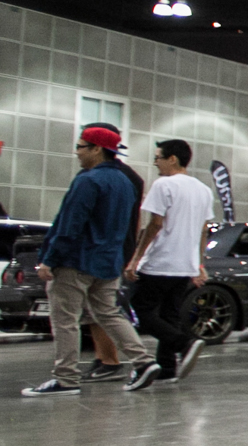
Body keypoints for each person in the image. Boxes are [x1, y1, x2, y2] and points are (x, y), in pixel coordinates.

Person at [22, 126, 153, 396]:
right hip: (108, 263)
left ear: (96, 149)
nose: (77, 152)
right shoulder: (126, 183)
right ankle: (143, 361)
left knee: (65, 319)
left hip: (76, 261)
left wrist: (50, 259)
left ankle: (66, 378)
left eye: (81, 147)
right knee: (109, 313)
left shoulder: (88, 180)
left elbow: (69, 225)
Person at [124, 138, 216, 389]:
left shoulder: (163, 184)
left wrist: (136, 259)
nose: (155, 163)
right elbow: (203, 230)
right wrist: (199, 264)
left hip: (161, 261)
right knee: (169, 314)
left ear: (172, 159)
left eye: (158, 158)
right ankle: (167, 368)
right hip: (184, 265)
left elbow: (155, 224)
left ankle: (183, 344)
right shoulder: (203, 190)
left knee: (138, 311)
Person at [78, 121, 145, 383]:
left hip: (101, 250)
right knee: (101, 309)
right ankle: (106, 358)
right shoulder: (130, 176)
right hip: (117, 248)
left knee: (101, 309)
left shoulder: (103, 176)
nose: (78, 150)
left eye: (82, 144)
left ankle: (110, 361)